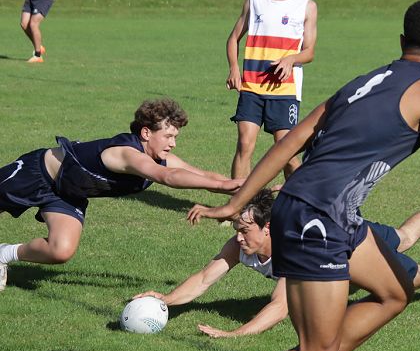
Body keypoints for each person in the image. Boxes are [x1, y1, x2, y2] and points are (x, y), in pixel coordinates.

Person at [183, 0, 420, 351]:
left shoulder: (363, 82)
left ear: (402, 41)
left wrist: (238, 202)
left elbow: (291, 140)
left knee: (396, 291)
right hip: (319, 217)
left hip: (326, 210)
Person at [135, 191, 420, 340]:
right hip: (338, 268)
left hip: (352, 246)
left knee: (412, 264)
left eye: (244, 230)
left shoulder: (294, 253)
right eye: (237, 230)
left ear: (268, 228)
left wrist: (235, 334)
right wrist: (167, 299)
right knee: (406, 245)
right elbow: (203, 278)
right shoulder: (239, 245)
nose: (238, 238)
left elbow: (280, 306)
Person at [0, 98, 242, 292]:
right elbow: (168, 177)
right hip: (37, 173)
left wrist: (244, 186)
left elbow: (204, 176)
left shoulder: (158, 158)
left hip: (68, 193)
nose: (173, 144)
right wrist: (224, 186)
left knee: (60, 250)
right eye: (168, 136)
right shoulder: (128, 154)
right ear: (146, 133)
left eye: (175, 137)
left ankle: (3, 254)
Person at [226, 0, 317, 179]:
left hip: (284, 89)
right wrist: (234, 68)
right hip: (252, 86)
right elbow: (233, 38)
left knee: (286, 152)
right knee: (244, 144)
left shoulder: (307, 6)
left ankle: (299, 199)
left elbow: (309, 52)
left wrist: (291, 59)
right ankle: (239, 200)